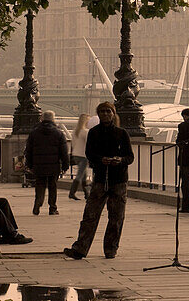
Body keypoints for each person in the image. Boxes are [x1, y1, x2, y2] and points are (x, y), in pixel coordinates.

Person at [64, 101, 134, 260]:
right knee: (90, 215)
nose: (105, 114)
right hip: (100, 179)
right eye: (102, 111)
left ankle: (111, 249)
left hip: (119, 180)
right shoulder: (94, 133)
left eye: (108, 111)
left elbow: (130, 157)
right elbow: (90, 154)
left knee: (116, 217)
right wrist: (101, 160)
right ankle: (80, 248)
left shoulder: (122, 133)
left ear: (113, 113)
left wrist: (119, 160)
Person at [25, 110, 70, 215]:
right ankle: (52, 208)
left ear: (42, 119)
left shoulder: (34, 133)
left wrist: (30, 164)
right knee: (52, 186)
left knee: (39, 185)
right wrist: (65, 165)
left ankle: (37, 204)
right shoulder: (59, 133)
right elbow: (64, 152)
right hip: (53, 165)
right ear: (53, 119)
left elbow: (29, 150)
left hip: (38, 165)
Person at [68, 114, 90, 200]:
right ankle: (72, 193)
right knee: (80, 175)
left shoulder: (75, 131)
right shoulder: (85, 132)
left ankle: (87, 194)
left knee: (84, 175)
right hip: (83, 155)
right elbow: (88, 145)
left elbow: (73, 144)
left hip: (75, 155)